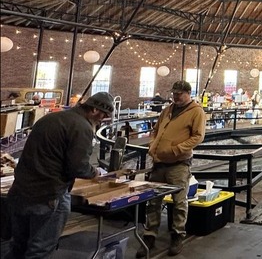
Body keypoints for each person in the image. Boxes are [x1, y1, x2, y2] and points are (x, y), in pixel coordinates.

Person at [6, 92, 115, 259]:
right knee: (40, 250)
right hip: (49, 195)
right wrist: (96, 173)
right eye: (103, 115)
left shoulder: (50, 119)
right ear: (94, 110)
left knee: (18, 246)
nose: (102, 120)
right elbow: (78, 167)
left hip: (20, 191)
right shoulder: (82, 127)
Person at [139, 81, 206, 257]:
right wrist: (153, 145)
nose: (176, 97)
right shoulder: (167, 110)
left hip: (178, 164)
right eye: (174, 93)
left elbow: (198, 136)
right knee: (153, 200)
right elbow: (156, 129)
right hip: (159, 162)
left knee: (179, 201)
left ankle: (177, 235)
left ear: (188, 93)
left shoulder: (196, 112)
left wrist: (177, 149)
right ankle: (149, 235)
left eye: (179, 94)